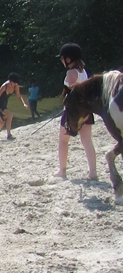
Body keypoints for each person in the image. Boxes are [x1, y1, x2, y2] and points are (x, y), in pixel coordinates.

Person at [55, 43, 97, 180]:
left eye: (62, 58)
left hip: (73, 112)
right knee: (87, 142)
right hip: (86, 110)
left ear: (68, 59)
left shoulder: (71, 72)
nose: (61, 61)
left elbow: (71, 92)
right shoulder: (83, 71)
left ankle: (62, 171)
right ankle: (93, 173)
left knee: (63, 141)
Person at [0, 72, 28, 142]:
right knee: (10, 115)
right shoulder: (4, 86)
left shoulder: (16, 86)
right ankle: (9, 134)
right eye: (14, 82)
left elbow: (19, 96)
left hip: (4, 105)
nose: (15, 84)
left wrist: (24, 103)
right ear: (10, 81)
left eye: (16, 82)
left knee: (1, 122)